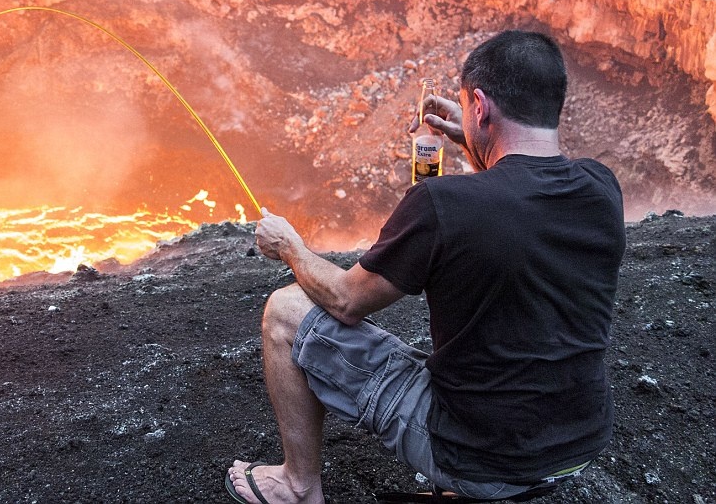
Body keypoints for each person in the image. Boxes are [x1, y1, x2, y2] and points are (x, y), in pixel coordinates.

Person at [225, 30, 626, 504]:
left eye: (469, 110)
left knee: (287, 310)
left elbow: (347, 300)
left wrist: (290, 247)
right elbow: (518, 200)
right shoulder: (602, 188)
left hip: (480, 457)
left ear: (480, 106)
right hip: (577, 444)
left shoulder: (442, 204)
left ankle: (297, 485)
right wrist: (472, 139)